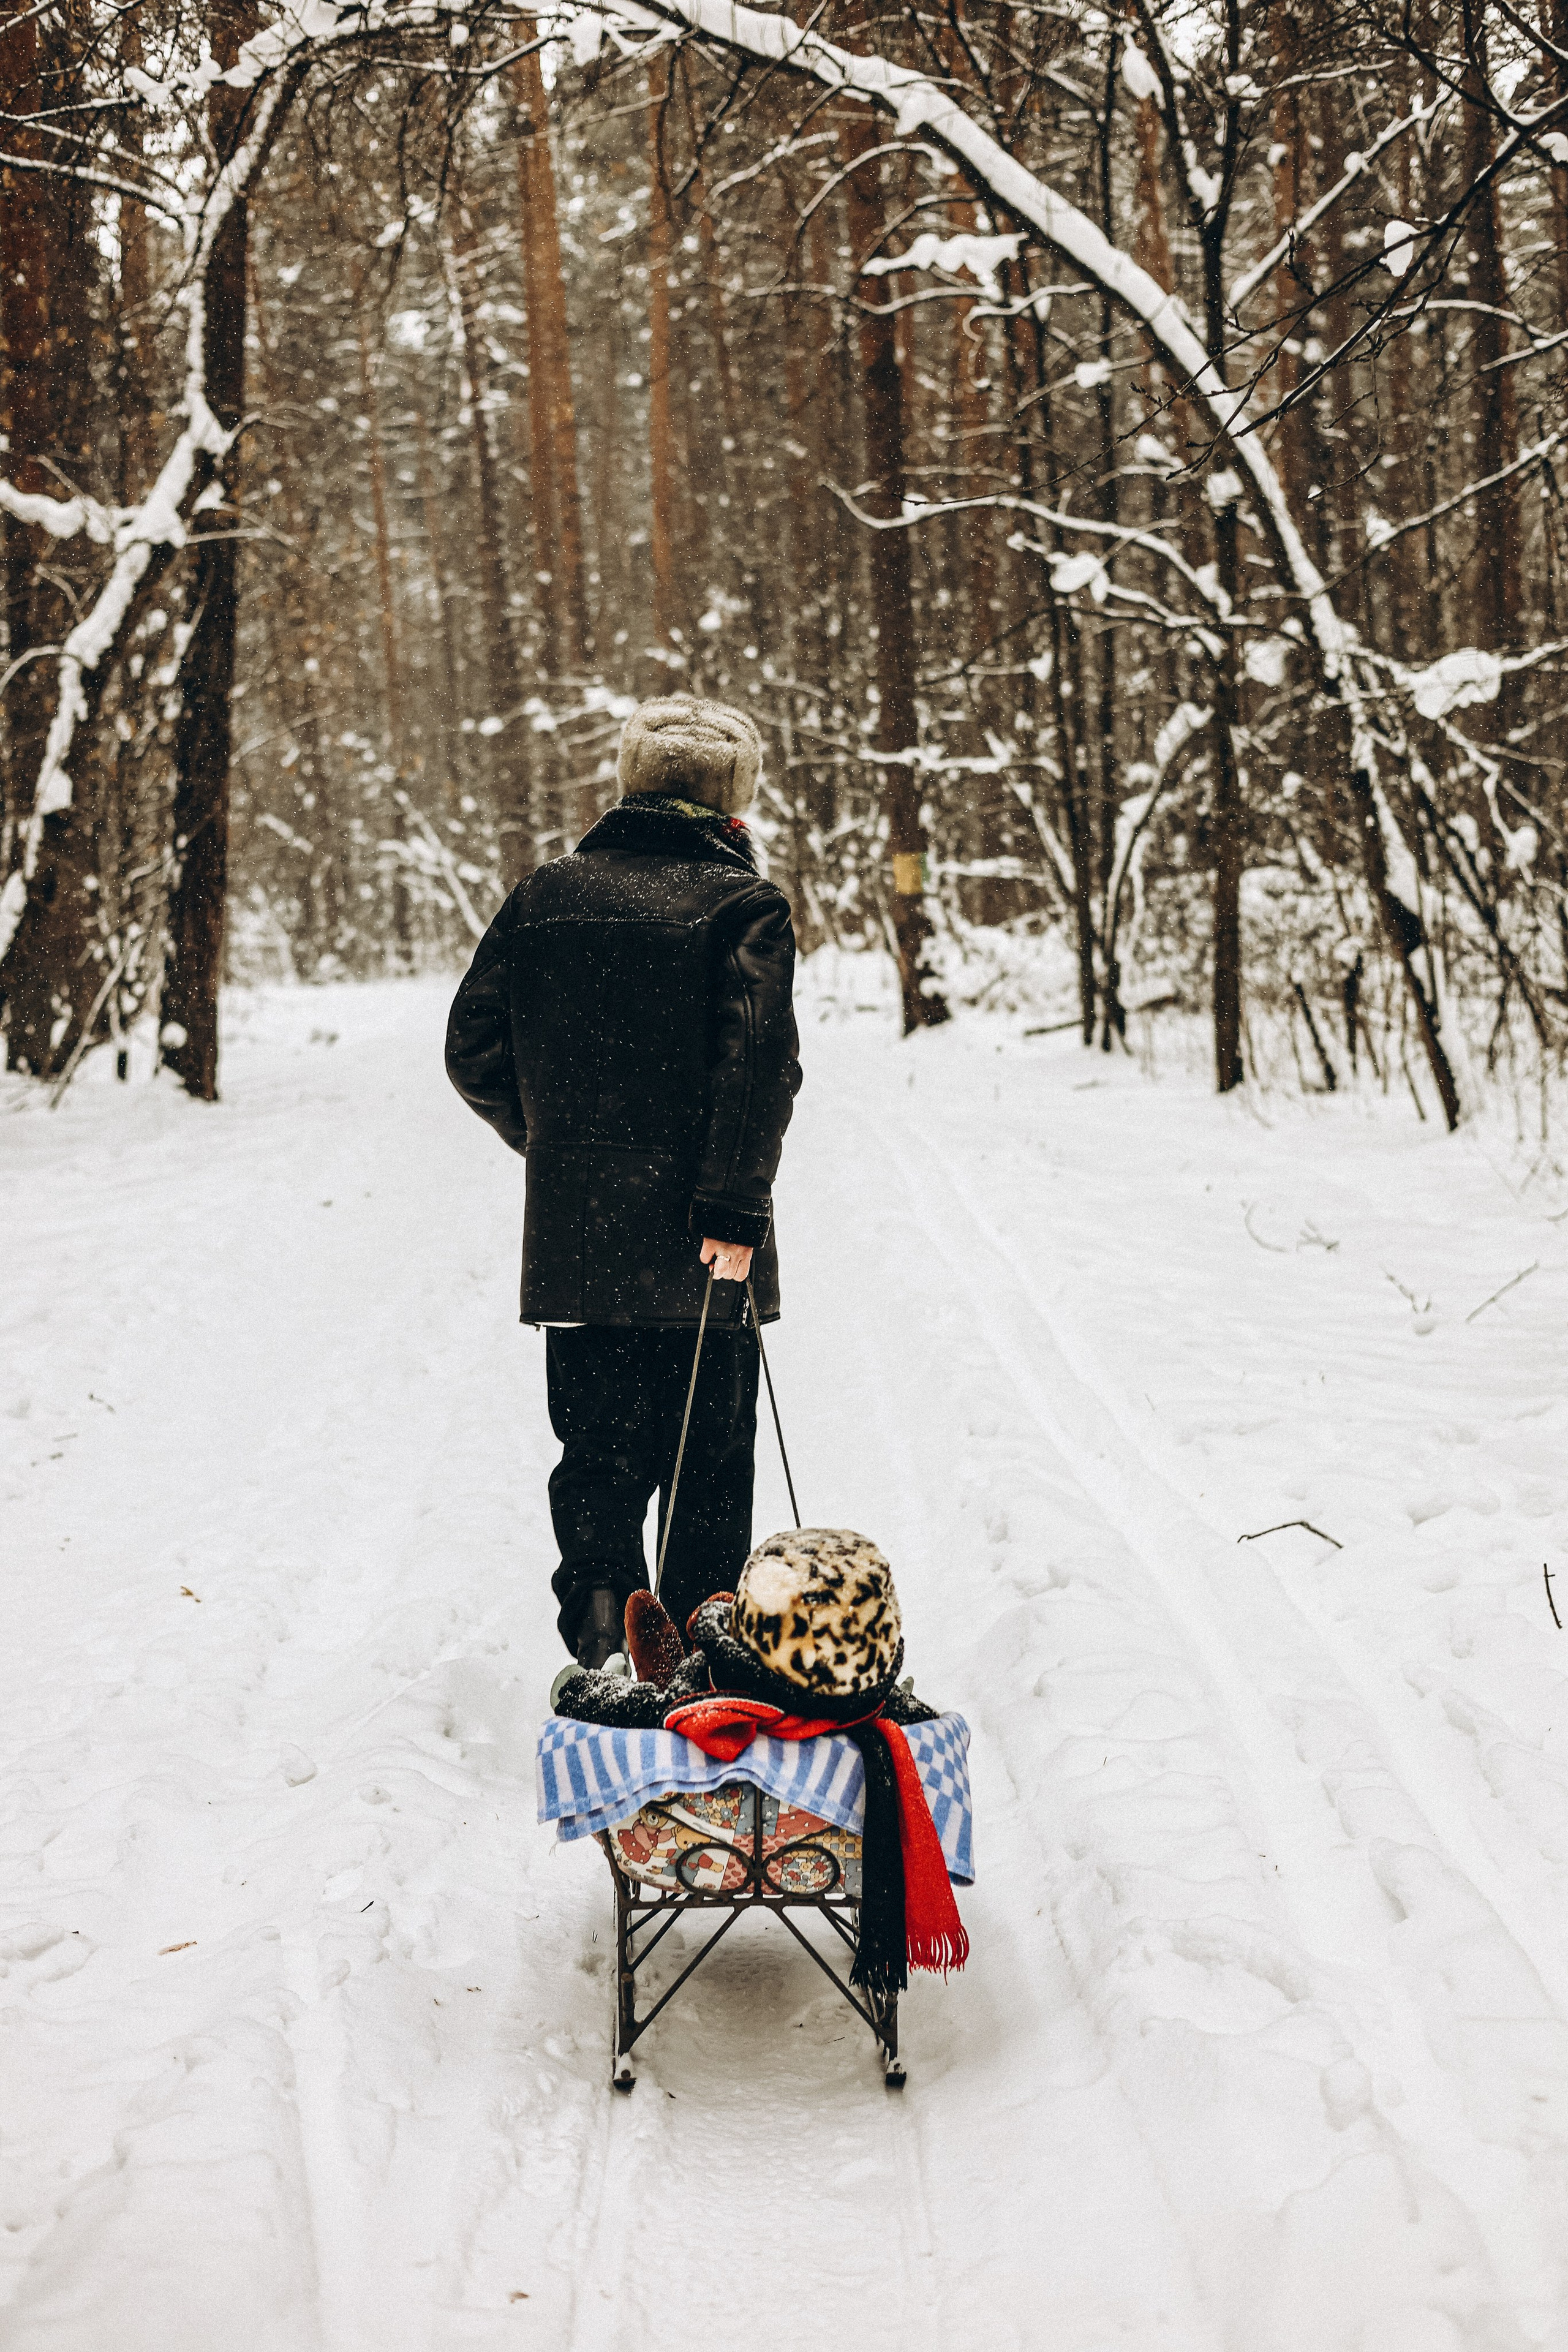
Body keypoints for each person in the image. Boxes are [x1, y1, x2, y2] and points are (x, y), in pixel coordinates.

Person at [445, 695, 802, 1670]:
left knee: (598, 1448)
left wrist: (564, 1151)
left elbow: (473, 1048)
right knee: (707, 1465)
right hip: (705, 1239)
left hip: (585, 1240)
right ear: (733, 800)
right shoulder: (744, 905)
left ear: (629, 782)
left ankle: (604, 1627)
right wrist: (730, 1204)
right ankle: (693, 1652)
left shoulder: (544, 895)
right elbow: (757, 1067)